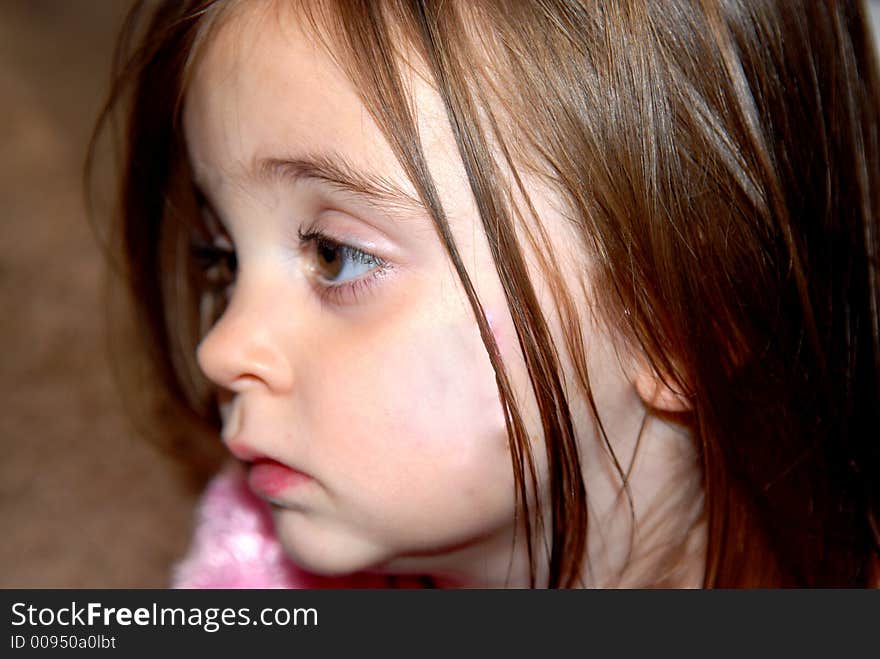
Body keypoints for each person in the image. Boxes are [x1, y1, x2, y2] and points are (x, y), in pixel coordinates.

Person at [89, 0, 880, 588]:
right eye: (221, 255)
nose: (221, 347)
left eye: (335, 255)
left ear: (677, 315)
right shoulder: (251, 564)